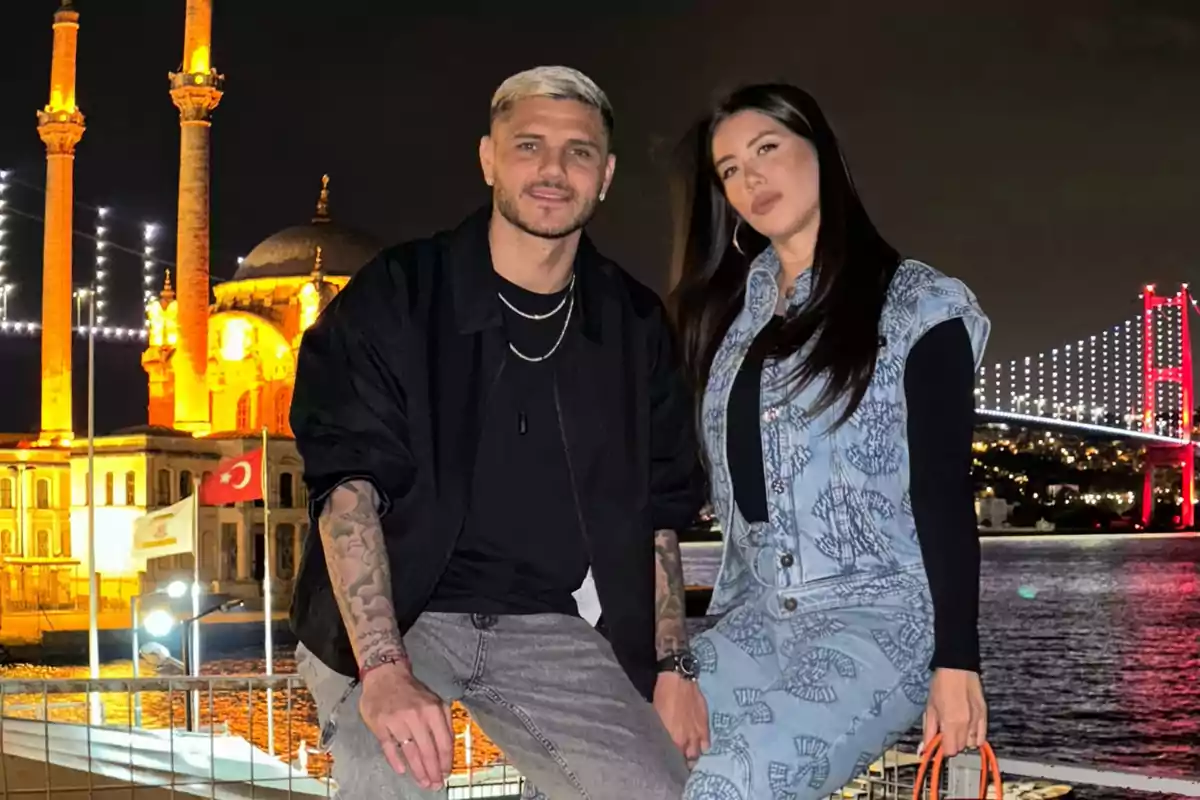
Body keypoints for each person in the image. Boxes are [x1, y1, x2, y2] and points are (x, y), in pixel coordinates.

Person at [289, 65, 709, 799]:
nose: (553, 169)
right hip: (400, 613)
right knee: (388, 771)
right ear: (489, 159)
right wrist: (385, 672)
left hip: (537, 623)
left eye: (578, 152)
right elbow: (348, 486)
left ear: (605, 175)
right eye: (528, 146)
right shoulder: (398, 294)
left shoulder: (632, 324)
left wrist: (673, 671)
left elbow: (659, 511)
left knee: (656, 787)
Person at [669, 83, 991, 799]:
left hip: (883, 621)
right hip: (760, 615)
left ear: (822, 153)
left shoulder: (917, 304)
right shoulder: (731, 321)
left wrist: (957, 662)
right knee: (611, 753)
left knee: (727, 784)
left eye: (767, 150)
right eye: (728, 169)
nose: (749, 179)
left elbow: (942, 488)